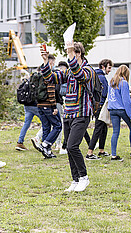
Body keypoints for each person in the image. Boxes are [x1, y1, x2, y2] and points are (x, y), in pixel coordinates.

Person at [40, 41, 96, 192]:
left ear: (78, 54)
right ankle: (75, 179)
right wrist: (45, 61)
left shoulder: (88, 70)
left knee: (72, 146)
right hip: (69, 113)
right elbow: (50, 78)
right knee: (69, 148)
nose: (69, 57)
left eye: (71, 53)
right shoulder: (69, 71)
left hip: (82, 113)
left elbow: (80, 76)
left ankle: (84, 177)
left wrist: (70, 52)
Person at [32, 54, 62, 159]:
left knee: (46, 127)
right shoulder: (49, 75)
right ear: (50, 62)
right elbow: (51, 91)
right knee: (58, 125)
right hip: (48, 105)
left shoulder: (39, 74)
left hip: (39, 104)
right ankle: (45, 145)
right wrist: (54, 107)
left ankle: (47, 151)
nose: (54, 64)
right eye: (53, 62)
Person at [107, 65, 131, 161]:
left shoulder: (111, 82)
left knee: (115, 132)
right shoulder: (123, 83)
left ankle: (113, 155)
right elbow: (126, 101)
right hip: (122, 109)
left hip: (112, 109)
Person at [86, 59, 113, 160]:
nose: (109, 70)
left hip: (96, 106)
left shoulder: (95, 76)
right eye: (109, 67)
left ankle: (101, 150)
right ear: (103, 66)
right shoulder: (102, 78)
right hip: (100, 106)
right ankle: (90, 152)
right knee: (98, 128)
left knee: (103, 128)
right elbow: (104, 93)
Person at [15, 71, 42, 151]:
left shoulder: (28, 81)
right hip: (35, 106)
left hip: (27, 106)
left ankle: (20, 142)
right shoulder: (37, 81)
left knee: (26, 124)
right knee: (46, 123)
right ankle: (43, 142)